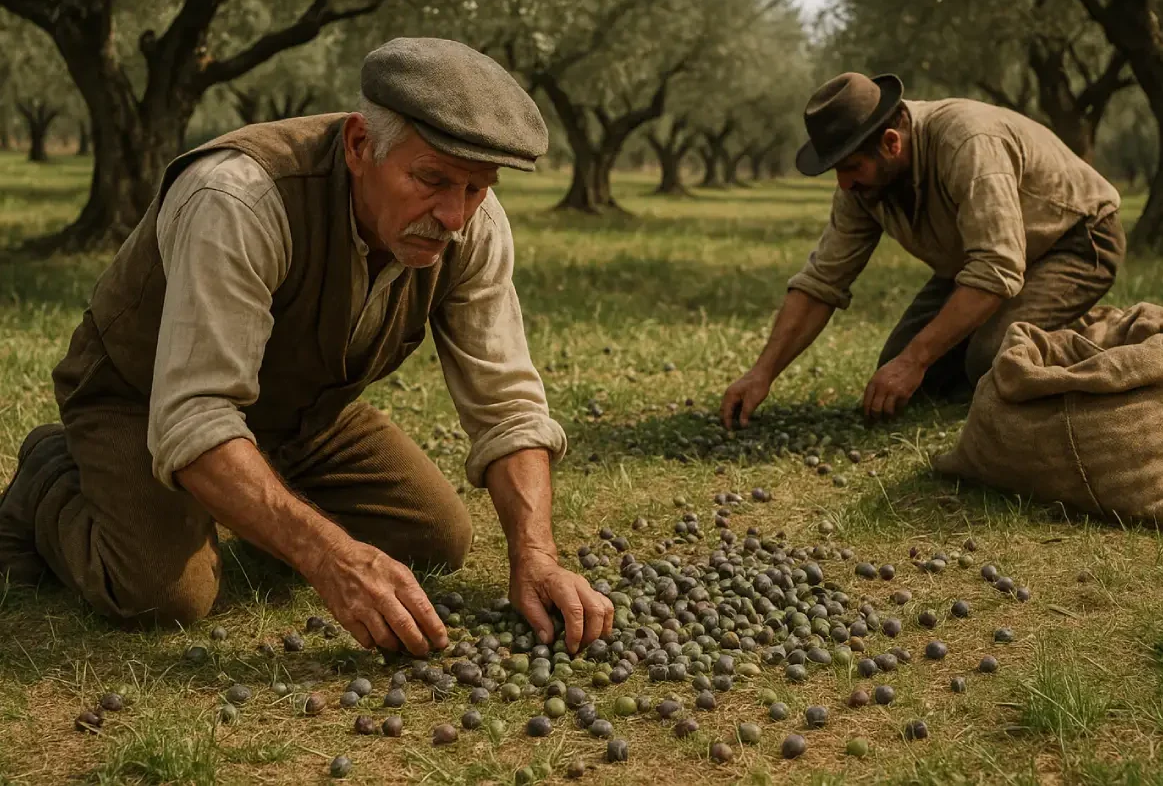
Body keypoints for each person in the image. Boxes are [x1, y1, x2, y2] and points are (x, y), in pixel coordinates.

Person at [0, 37, 613, 657]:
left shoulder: (472, 224)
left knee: (433, 539)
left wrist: (536, 554)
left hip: (297, 410)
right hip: (143, 397)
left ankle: (245, 493)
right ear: (359, 145)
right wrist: (331, 557)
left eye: (477, 187)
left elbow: (507, 406)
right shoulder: (238, 197)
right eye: (431, 179)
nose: (454, 216)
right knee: (164, 594)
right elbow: (194, 415)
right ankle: (49, 475)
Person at [721, 71, 1124, 428]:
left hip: (1075, 241)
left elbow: (996, 267)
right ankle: (1022, 327)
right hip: (984, 261)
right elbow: (822, 281)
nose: (843, 184)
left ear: (891, 143)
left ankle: (1100, 335)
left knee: (989, 359)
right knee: (904, 374)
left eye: (852, 167)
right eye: (837, 171)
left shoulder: (968, 141)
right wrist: (762, 372)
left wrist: (915, 360)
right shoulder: (862, 186)